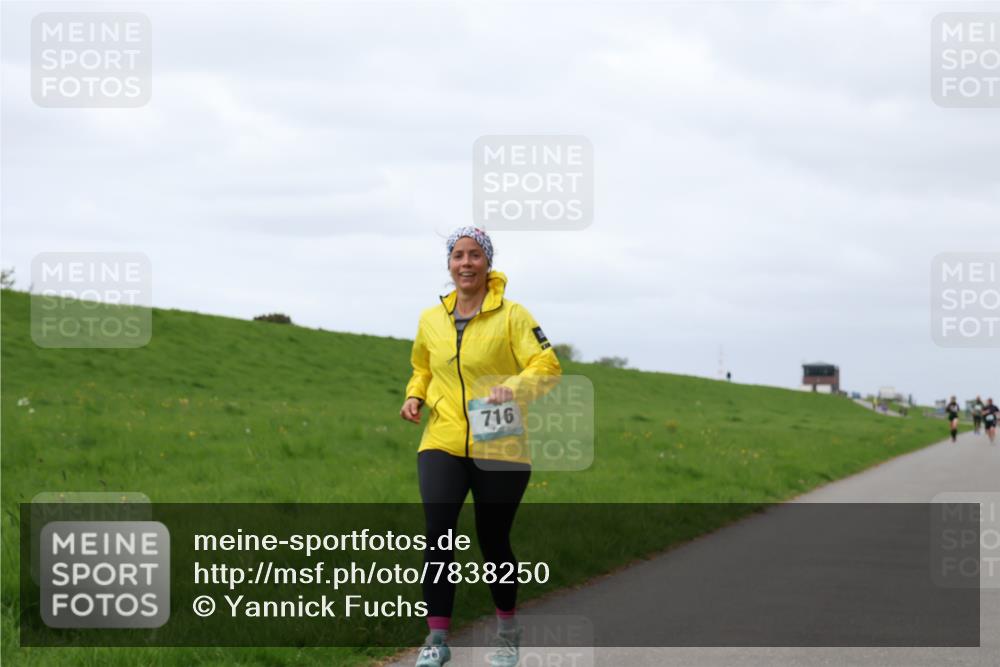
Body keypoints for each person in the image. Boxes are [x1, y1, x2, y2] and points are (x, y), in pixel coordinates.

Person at [400, 226, 561, 667]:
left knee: (493, 541)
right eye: (457, 256)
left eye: (474, 255)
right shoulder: (430, 320)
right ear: (449, 265)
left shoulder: (513, 316)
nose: (465, 263)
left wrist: (515, 387)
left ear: (487, 263)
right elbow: (422, 366)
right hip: (443, 440)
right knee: (438, 535)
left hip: (500, 443)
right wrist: (415, 394)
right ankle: (436, 641)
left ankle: (508, 633)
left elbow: (547, 365)